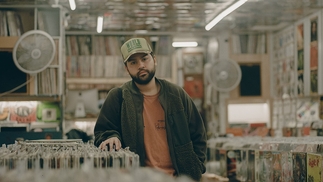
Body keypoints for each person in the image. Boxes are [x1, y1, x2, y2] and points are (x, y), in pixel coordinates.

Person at [93, 37, 207, 181]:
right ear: (126, 68)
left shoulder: (176, 94)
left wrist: (197, 167)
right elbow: (102, 132)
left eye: (144, 59)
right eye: (133, 62)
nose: (141, 65)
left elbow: (198, 134)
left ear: (154, 59)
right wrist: (111, 136)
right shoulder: (118, 97)